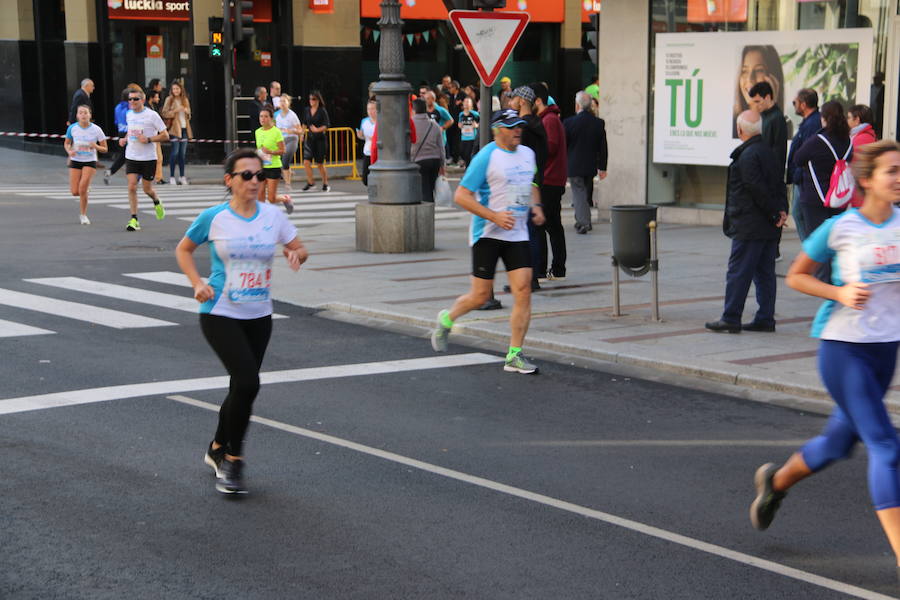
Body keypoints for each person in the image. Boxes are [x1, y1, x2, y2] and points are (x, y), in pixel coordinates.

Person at [749, 140, 900, 569]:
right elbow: (797, 277)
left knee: (837, 443)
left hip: (884, 352)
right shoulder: (841, 228)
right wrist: (839, 291)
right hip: (843, 350)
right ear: (867, 180)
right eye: (891, 170)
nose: (899, 177)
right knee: (887, 446)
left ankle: (775, 483)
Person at [175, 147, 309, 495]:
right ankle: (232, 461)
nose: (254, 181)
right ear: (230, 181)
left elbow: (300, 246)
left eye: (259, 175)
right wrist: (197, 283)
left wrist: (296, 253)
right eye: (246, 175)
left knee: (240, 386)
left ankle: (217, 446)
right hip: (219, 311)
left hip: (259, 315)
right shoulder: (215, 217)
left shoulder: (272, 216)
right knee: (248, 382)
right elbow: (183, 249)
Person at [430, 109, 546, 374]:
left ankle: (514, 354)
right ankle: (447, 319)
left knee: (523, 291)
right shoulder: (486, 157)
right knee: (480, 295)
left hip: (517, 233)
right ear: (497, 130)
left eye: (519, 125)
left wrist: (536, 205)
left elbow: (532, 182)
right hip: (487, 234)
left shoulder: (528, 154)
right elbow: (461, 196)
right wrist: (494, 215)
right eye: (511, 126)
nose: (518, 130)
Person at [705, 110, 787, 334]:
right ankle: (765, 318)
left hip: (750, 225)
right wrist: (781, 212)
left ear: (740, 130)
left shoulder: (748, 155)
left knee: (739, 272)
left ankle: (731, 317)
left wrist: (774, 213)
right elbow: (779, 184)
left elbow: (756, 189)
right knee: (764, 273)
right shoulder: (768, 152)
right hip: (767, 226)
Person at [793, 100, 853, 281]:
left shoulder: (818, 140)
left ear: (824, 119)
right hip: (838, 197)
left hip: (815, 199)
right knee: (835, 239)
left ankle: (823, 280)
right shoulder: (847, 140)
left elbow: (798, 158)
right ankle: (837, 277)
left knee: (820, 240)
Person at [509, 85, 548, 292]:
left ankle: (526, 280)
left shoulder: (522, 128)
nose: (510, 101)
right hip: (534, 181)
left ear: (522, 101)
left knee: (523, 233)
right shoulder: (539, 124)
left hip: (521, 183)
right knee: (529, 232)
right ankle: (530, 278)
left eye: (513, 98)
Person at [531, 83, 568, 281]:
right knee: (553, 225)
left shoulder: (550, 120)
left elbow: (551, 147)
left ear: (538, 101)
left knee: (542, 225)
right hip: (552, 178)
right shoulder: (548, 119)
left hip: (550, 179)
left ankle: (542, 270)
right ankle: (557, 268)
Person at [120, 88, 168, 231]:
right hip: (132, 156)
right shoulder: (129, 114)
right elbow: (131, 131)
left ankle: (156, 201)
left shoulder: (152, 115)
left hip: (148, 158)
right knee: (132, 186)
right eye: (130, 99)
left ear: (143, 100)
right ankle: (134, 219)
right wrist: (125, 139)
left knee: (147, 189)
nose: (132, 102)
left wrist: (148, 139)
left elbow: (165, 136)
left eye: (136, 99)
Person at [564, 91, 608, 234]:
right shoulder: (598, 123)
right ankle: (582, 219)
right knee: (584, 194)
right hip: (590, 165)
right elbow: (603, 147)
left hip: (574, 164)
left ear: (577, 105)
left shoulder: (569, 123)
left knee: (579, 194)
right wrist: (602, 167)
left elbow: (564, 145)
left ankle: (584, 222)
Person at [785, 88, 820, 240]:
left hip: (804, 178)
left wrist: (798, 175)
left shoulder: (812, 123)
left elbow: (808, 152)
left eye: (795, 102)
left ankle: (810, 253)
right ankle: (810, 252)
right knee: (799, 213)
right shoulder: (809, 122)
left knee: (799, 213)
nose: (794, 106)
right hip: (801, 177)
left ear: (804, 104)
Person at [64, 104, 108, 225]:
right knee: (74, 191)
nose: (83, 115)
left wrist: (95, 146)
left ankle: (83, 215)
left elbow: (105, 149)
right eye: (81, 113)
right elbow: (67, 143)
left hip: (90, 161)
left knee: (82, 188)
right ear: (77, 115)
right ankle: (85, 191)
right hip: (76, 160)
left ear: (90, 115)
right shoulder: (72, 128)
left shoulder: (96, 129)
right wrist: (69, 151)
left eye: (85, 112)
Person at [733, 45, 784, 138]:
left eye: (759, 70)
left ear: (773, 78)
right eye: (744, 71)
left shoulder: (780, 121)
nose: (750, 79)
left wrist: (771, 107)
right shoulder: (734, 120)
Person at [254, 107, 294, 214]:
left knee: (271, 199)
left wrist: (270, 152)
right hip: (261, 167)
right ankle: (262, 217)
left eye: (266, 116)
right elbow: (260, 149)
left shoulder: (276, 132)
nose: (263, 119)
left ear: (271, 118)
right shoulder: (257, 132)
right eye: (261, 116)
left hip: (273, 167)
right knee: (260, 196)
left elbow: (283, 150)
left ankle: (285, 198)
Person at [410, 99, 444, 203]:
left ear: (413, 110)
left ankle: (427, 214)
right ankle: (430, 209)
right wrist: (442, 165)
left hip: (419, 160)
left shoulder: (410, 125)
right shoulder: (434, 125)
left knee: (424, 191)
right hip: (435, 160)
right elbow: (441, 147)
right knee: (430, 188)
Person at [104, 86, 140, 185]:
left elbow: (116, 121)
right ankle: (137, 176)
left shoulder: (117, 107)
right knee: (132, 155)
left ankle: (110, 171)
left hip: (120, 132)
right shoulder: (130, 108)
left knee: (124, 156)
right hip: (129, 133)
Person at [161, 80, 192, 186]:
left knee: (182, 154)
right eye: (174, 89)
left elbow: (189, 116)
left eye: (177, 89)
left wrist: (187, 112)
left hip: (184, 129)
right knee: (175, 152)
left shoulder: (185, 100)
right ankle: (172, 176)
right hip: (174, 129)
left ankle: (182, 176)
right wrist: (175, 110)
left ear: (181, 89)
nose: (175, 91)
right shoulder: (169, 99)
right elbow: (164, 113)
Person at [301, 90, 331, 192]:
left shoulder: (322, 111)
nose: (311, 101)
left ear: (318, 100)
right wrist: (301, 134)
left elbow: (327, 125)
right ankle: (310, 182)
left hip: (320, 140)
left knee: (319, 163)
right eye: (310, 99)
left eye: (313, 99)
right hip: (309, 139)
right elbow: (304, 123)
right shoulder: (307, 110)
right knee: (306, 162)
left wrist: (317, 130)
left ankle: (325, 183)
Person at [275, 94, 303, 192]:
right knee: (279, 161)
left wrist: (292, 131)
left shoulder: (292, 115)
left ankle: (287, 184)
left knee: (285, 160)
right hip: (282, 140)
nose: (282, 103)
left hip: (292, 139)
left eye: (284, 101)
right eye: (281, 101)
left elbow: (300, 130)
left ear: (288, 103)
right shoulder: (278, 116)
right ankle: (287, 175)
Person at [357, 98, 377, 186]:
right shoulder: (364, 121)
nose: (370, 111)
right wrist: (360, 135)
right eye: (368, 109)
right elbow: (362, 137)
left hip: (377, 152)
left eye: (372, 109)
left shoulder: (381, 121)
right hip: (367, 151)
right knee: (365, 178)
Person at [446, 80, 467, 165]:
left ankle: (458, 157)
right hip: (452, 120)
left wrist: (461, 103)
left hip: (460, 120)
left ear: (455, 88)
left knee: (458, 139)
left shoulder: (462, 95)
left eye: (451, 87)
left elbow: (467, 105)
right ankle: (451, 156)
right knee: (450, 138)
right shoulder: (451, 96)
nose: (449, 89)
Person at [457, 97, 479, 168]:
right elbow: (459, 123)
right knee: (462, 152)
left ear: (471, 104)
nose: (466, 103)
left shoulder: (475, 114)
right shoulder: (461, 114)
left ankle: (468, 169)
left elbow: (481, 122)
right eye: (465, 102)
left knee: (468, 154)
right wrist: (460, 125)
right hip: (463, 137)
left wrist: (476, 125)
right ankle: (467, 167)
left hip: (472, 137)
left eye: (468, 102)